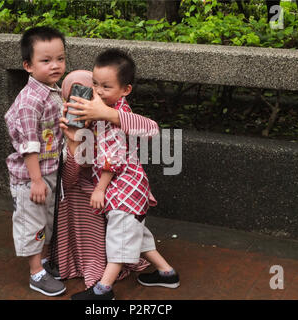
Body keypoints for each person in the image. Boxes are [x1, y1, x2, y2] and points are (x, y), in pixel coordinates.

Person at [68, 49, 180, 300]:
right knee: (136, 234)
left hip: (124, 190)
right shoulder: (105, 109)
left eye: (106, 86)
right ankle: (167, 273)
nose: (97, 91)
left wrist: (100, 189)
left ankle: (103, 290)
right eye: (95, 84)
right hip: (128, 189)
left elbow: (114, 157)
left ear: (125, 89)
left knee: (119, 241)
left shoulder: (118, 114)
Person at [50, 70, 159, 290]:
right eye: (75, 98)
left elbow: (152, 129)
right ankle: (165, 272)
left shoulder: (110, 119)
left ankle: (104, 287)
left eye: (91, 95)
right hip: (84, 201)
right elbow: (70, 180)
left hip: (113, 193)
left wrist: (106, 114)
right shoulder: (67, 124)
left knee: (126, 233)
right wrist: (73, 139)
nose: (85, 102)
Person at [4, 26, 67, 297]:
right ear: (28, 66)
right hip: (32, 176)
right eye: (46, 60)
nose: (55, 65)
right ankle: (35, 273)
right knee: (33, 224)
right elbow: (29, 144)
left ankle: (42, 262)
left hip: (49, 171)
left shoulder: (52, 90)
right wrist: (37, 180)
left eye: (60, 59)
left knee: (46, 223)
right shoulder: (31, 100)